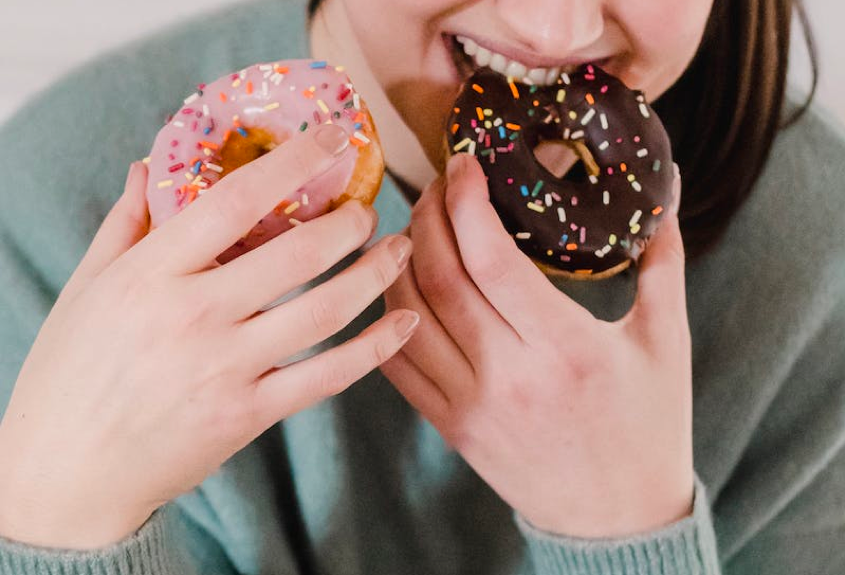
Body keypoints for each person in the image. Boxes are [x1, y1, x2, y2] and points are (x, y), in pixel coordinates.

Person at [0, 0, 843, 572]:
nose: (552, 25)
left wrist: (627, 533)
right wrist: (56, 524)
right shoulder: (54, 210)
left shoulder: (818, 267)